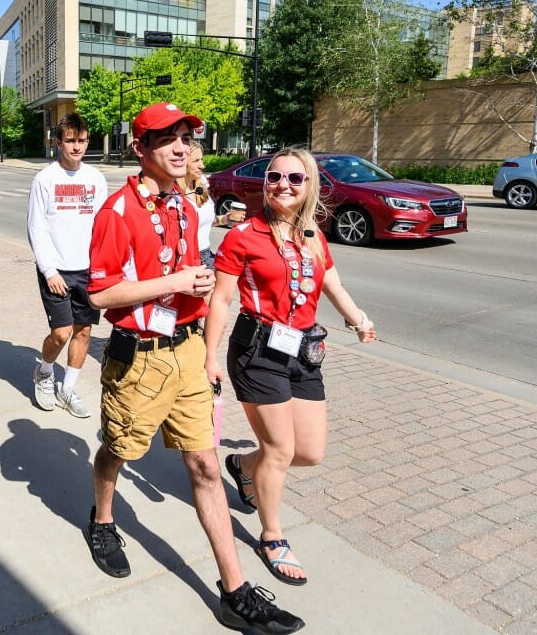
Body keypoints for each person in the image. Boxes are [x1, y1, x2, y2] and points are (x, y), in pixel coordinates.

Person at [84, 102, 304, 634]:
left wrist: (204, 317)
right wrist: (176, 284)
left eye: (185, 136)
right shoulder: (116, 211)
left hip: (185, 352)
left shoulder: (186, 202)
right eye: (166, 139)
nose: (180, 147)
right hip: (138, 359)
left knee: (205, 466)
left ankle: (234, 591)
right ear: (140, 149)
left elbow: (189, 267)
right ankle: (102, 518)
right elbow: (100, 294)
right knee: (118, 449)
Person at [204, 147, 376, 588]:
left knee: (309, 452)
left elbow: (331, 283)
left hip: (302, 354)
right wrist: (209, 358)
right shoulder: (243, 235)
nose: (283, 185)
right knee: (280, 450)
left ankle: (244, 466)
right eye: (275, 176)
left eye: (294, 179)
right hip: (256, 352)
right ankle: (272, 534)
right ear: (266, 183)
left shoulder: (313, 236)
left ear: (308, 186)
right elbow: (221, 300)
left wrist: (357, 319)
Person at [26, 112, 107, 418]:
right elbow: (36, 227)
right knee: (61, 332)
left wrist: (104, 266)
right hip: (56, 269)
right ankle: (45, 372)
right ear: (58, 142)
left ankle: (68, 388)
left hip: (88, 269)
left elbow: (102, 225)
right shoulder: (45, 179)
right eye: (70, 141)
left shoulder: (95, 178)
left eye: (82, 141)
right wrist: (49, 270)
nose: (77, 147)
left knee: (83, 331)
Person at [184, 141, 217, 271]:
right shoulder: (173, 194)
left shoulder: (200, 187)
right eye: (196, 160)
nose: (202, 165)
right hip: (189, 259)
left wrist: (224, 219)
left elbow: (202, 223)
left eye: (201, 159)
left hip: (207, 254)